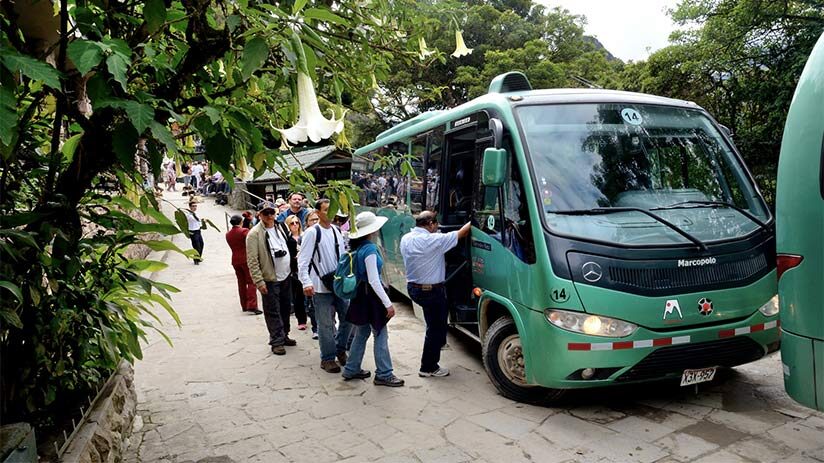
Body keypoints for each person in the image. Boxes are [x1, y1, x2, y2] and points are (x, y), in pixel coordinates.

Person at [399, 211, 471, 377]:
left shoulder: (406, 239)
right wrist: (475, 218)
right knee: (435, 329)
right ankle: (428, 367)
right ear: (430, 224)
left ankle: (436, 349)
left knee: (434, 324)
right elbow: (463, 232)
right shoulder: (433, 241)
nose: (438, 227)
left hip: (414, 288)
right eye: (436, 224)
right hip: (431, 291)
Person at [341, 212, 405, 387]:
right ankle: (384, 373)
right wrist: (388, 304)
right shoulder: (369, 249)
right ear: (372, 230)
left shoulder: (358, 247)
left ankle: (351, 368)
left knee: (361, 334)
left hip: (361, 296)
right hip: (371, 297)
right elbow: (374, 280)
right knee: (380, 335)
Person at [297, 199, 352, 373]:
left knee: (348, 318)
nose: (329, 213)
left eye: (332, 209)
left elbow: (343, 257)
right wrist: (306, 281)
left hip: (338, 283)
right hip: (320, 285)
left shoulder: (336, 231)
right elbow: (303, 260)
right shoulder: (312, 233)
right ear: (318, 212)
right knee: (325, 323)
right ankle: (327, 358)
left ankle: (340, 348)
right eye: (326, 210)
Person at [247, 201, 296, 355]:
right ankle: (276, 340)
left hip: (286, 275)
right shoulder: (254, 234)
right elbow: (252, 260)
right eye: (265, 213)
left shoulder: (281, 226)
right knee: (272, 311)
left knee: (286, 307)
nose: (269, 216)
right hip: (270, 277)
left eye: (271, 212)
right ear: (259, 214)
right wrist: (259, 281)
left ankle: (284, 334)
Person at [225, 215, 262, 315]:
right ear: (241, 222)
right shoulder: (244, 231)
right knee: (251, 281)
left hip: (235, 259)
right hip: (246, 258)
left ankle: (244, 305)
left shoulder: (228, 234)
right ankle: (252, 305)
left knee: (241, 283)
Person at [284, 215, 310, 331]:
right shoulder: (286, 238)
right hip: (294, 271)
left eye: (296, 222)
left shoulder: (305, 236)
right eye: (292, 223)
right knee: (298, 296)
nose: (295, 225)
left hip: (307, 268)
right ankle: (302, 319)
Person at [184, 200, 205, 265]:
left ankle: (198, 258)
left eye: (195, 206)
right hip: (192, 231)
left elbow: (199, 221)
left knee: (201, 244)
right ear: (190, 207)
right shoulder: (188, 214)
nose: (195, 207)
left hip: (198, 230)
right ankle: (195, 260)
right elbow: (196, 219)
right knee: (196, 246)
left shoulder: (196, 213)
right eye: (193, 206)